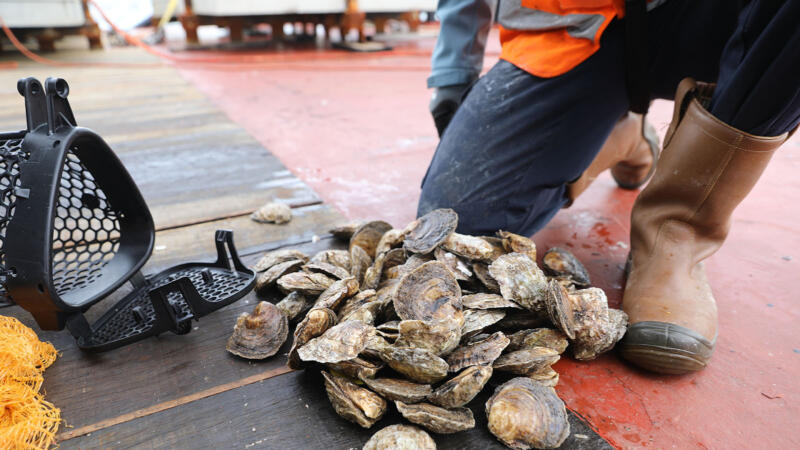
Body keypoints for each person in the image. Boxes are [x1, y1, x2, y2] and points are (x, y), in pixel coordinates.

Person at [421, 0, 799, 375]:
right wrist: (453, 70)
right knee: (457, 223)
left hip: (719, 16)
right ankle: (622, 136)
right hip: (577, 23)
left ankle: (677, 231)